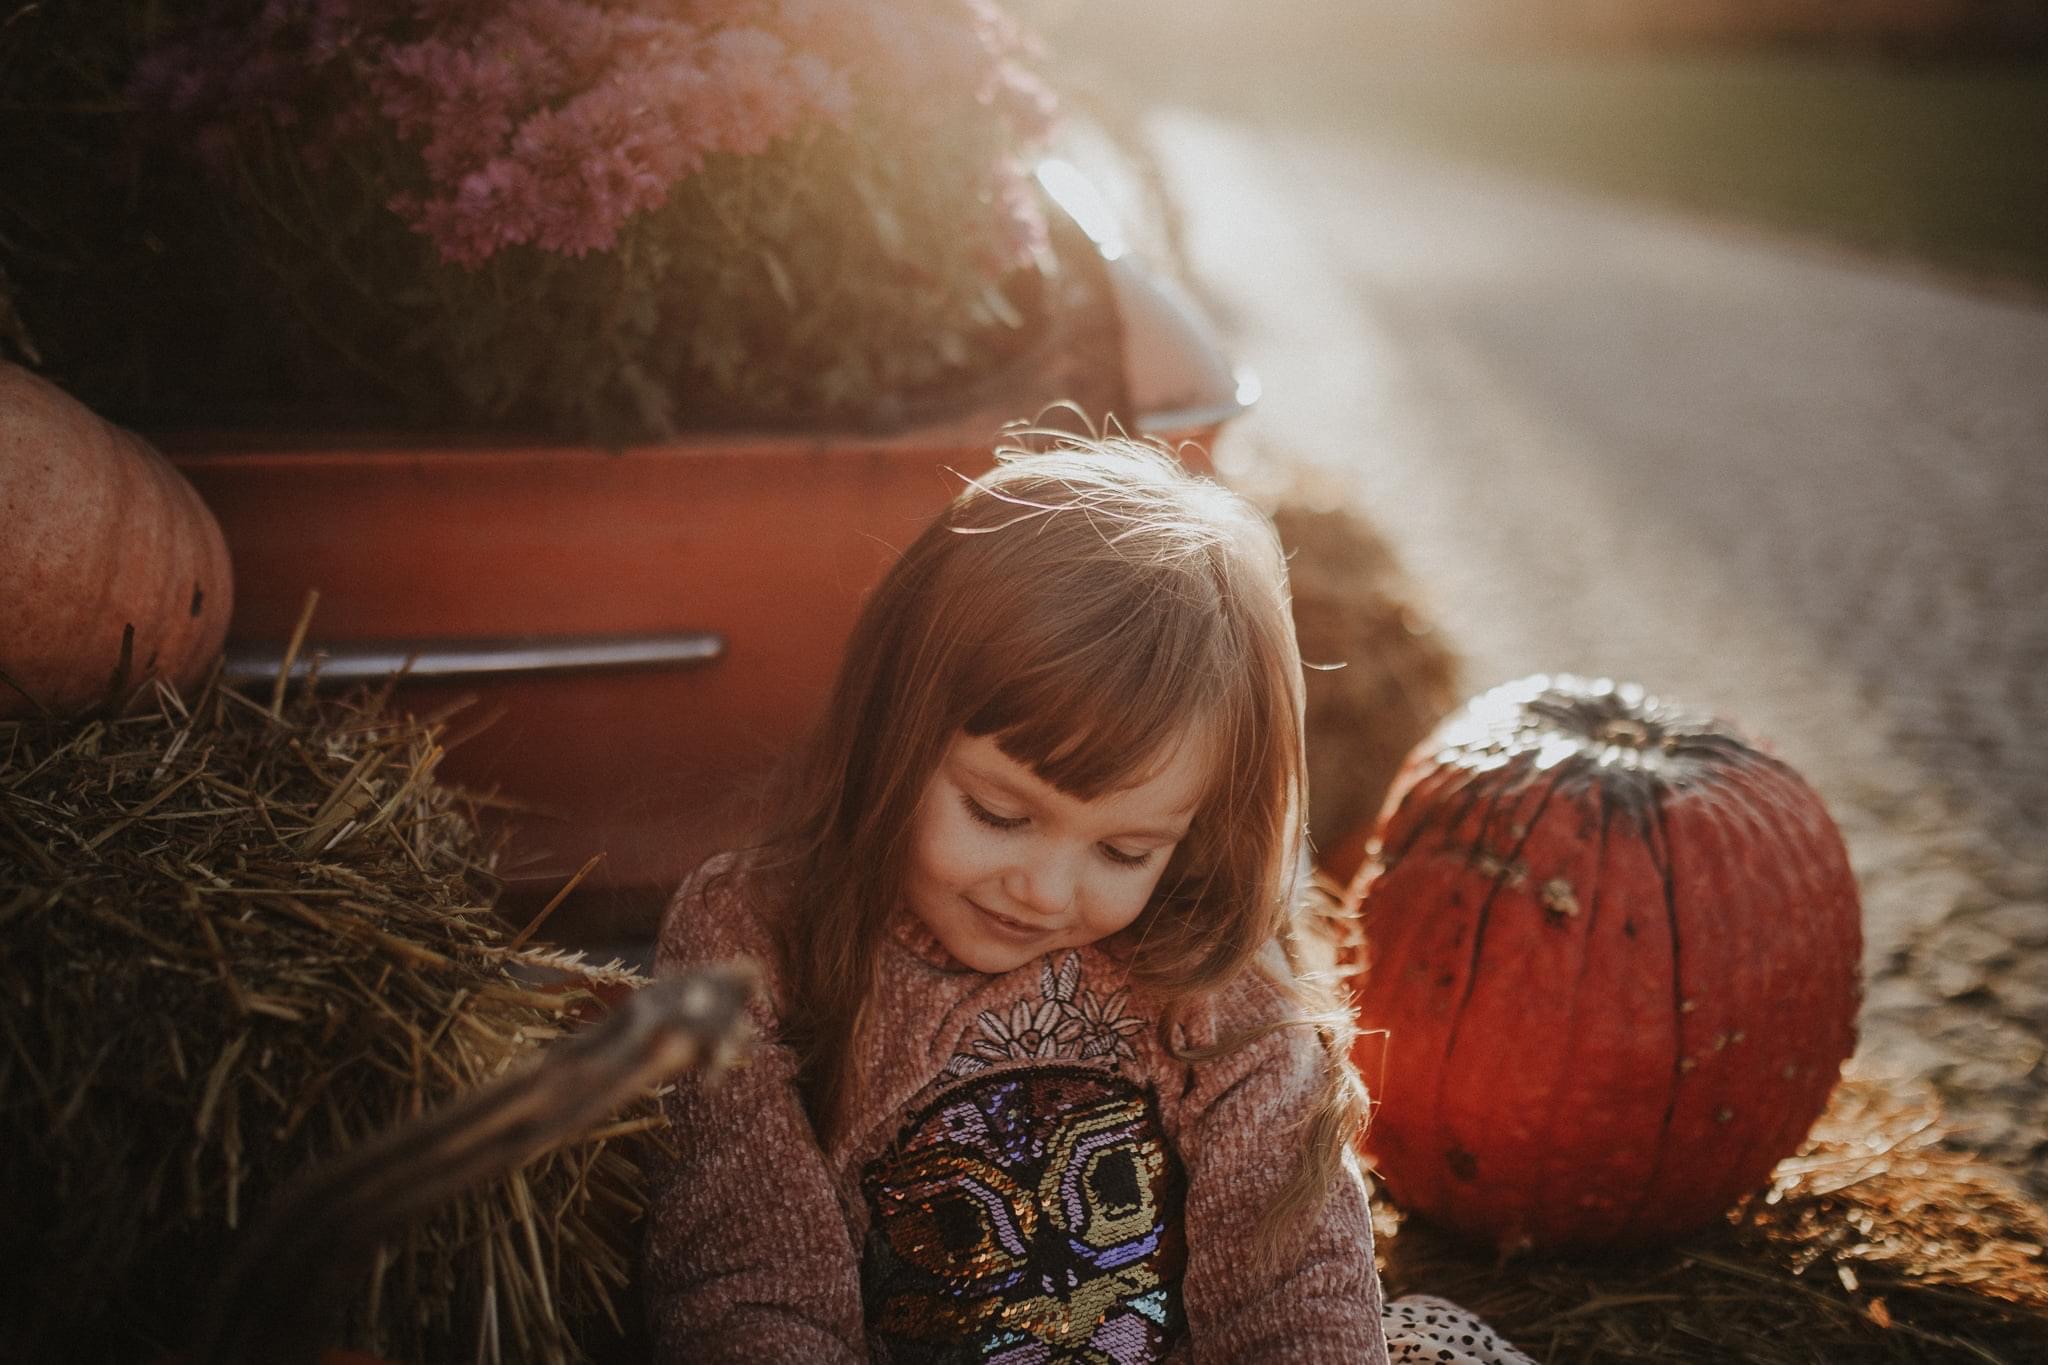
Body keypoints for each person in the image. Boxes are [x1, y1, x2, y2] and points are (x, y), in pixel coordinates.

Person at [645, 438, 1532, 1363]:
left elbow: (1294, 1278)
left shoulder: (1208, 966)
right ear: (892, 728)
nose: (1045, 888)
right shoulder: (756, 938)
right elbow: (750, 1287)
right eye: (997, 812)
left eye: (1124, 848)